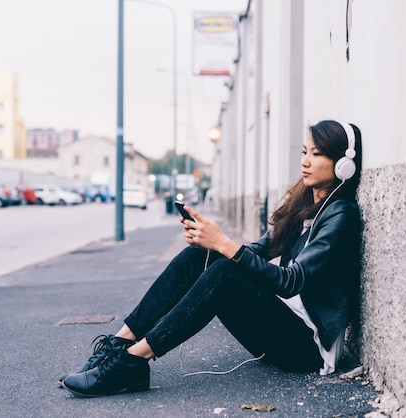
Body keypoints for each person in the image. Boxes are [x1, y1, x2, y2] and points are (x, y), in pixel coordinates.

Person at [59, 119, 363, 397]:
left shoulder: (341, 215)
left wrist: (226, 245)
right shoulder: (304, 204)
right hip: (278, 329)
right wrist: (211, 241)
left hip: (305, 348)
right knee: (200, 256)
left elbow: (290, 281)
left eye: (317, 154)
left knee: (225, 274)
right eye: (304, 151)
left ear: (343, 165)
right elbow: (258, 250)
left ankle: (133, 361)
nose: (305, 161)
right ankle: (120, 344)